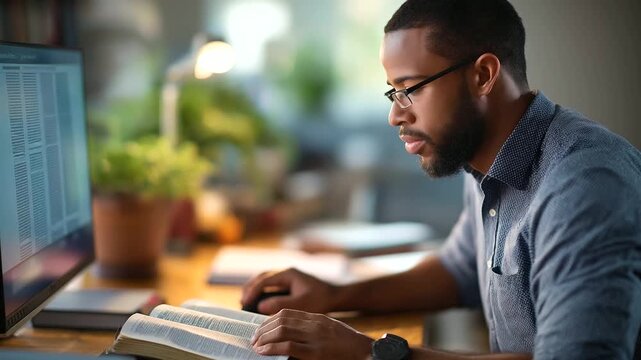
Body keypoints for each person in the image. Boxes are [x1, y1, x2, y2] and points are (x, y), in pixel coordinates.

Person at [242, 0, 641, 359]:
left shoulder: (584, 187)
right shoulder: (486, 154)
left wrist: (372, 353)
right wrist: (335, 295)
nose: (395, 116)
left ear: (483, 75)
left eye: (409, 89)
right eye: (392, 93)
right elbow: (458, 269)